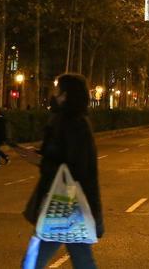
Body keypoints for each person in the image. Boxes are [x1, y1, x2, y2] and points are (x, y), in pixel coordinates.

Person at [22, 73, 103, 268]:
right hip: (68, 202)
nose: (54, 92)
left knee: (32, 261)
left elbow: (74, 167)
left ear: (66, 94)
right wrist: (40, 153)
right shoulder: (64, 120)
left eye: (58, 89)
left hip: (63, 203)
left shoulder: (74, 124)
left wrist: (41, 161)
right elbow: (61, 155)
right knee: (82, 260)